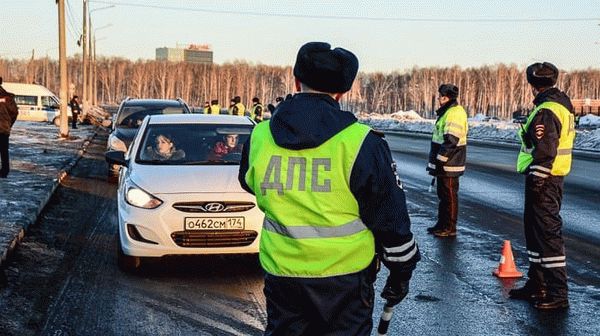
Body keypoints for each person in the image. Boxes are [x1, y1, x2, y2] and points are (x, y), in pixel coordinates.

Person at [238, 42, 420, 335]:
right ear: (342, 92)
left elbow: (249, 183)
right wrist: (402, 270)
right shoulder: (362, 142)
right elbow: (390, 217)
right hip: (344, 282)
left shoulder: (260, 135)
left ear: (296, 81)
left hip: (282, 276)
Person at [508, 62, 574, 310]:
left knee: (547, 236)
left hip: (545, 181)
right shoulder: (558, 105)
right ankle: (538, 284)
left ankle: (558, 293)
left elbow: (546, 151)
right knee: (535, 234)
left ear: (533, 85)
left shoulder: (547, 110)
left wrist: (536, 180)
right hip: (547, 180)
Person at [425, 84, 468, 237]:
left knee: (449, 197)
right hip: (446, 163)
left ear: (446, 97)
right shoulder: (448, 111)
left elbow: (451, 140)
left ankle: (449, 227)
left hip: (450, 163)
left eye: (440, 96)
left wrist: (440, 160)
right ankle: (442, 224)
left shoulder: (454, 113)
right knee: (443, 196)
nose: (438, 99)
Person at [0, 77, 19, 178]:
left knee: (3, 150)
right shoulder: (7, 97)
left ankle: (4, 170)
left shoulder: (7, 97)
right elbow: (14, 113)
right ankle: (4, 171)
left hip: (3, 128)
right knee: (4, 150)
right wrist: (9, 124)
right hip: (4, 129)